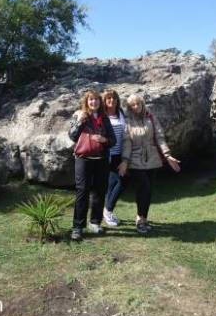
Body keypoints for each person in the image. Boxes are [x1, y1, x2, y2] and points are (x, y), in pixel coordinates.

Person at [118, 94, 181, 234]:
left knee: (148, 190)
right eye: (132, 105)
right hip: (135, 159)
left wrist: (167, 155)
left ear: (142, 104)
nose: (135, 107)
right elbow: (127, 142)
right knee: (144, 188)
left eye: (137, 104)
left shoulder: (150, 117)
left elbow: (159, 137)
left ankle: (144, 218)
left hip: (152, 159)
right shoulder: (128, 121)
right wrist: (125, 161)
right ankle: (140, 219)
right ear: (129, 107)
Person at [68, 90, 116, 241]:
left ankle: (95, 223)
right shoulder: (80, 115)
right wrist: (80, 121)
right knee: (82, 191)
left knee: (100, 191)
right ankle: (78, 227)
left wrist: (104, 140)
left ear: (100, 102)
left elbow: (113, 140)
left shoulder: (105, 118)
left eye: (96, 99)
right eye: (90, 100)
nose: (93, 102)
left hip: (101, 159)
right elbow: (72, 136)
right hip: (83, 159)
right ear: (86, 102)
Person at [102, 89, 126, 227]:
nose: (112, 101)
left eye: (114, 98)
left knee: (116, 182)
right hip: (108, 155)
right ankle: (108, 210)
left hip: (121, 154)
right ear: (105, 101)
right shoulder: (103, 115)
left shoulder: (121, 113)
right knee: (120, 181)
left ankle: (107, 210)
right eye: (109, 98)